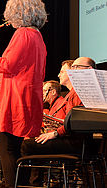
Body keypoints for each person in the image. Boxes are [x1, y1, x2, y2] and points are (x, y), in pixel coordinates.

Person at [0, 0, 47, 186]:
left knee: (6, 148)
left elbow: (8, 65)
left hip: (16, 98)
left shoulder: (23, 33)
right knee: (17, 150)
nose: (8, 19)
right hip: (29, 97)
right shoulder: (37, 36)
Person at [21, 57, 96, 185]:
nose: (72, 71)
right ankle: (34, 183)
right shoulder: (73, 93)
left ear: (88, 70)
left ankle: (31, 184)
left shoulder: (78, 92)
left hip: (76, 143)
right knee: (32, 142)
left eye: (76, 67)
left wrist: (55, 133)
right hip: (77, 140)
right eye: (72, 68)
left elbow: (73, 123)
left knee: (26, 145)